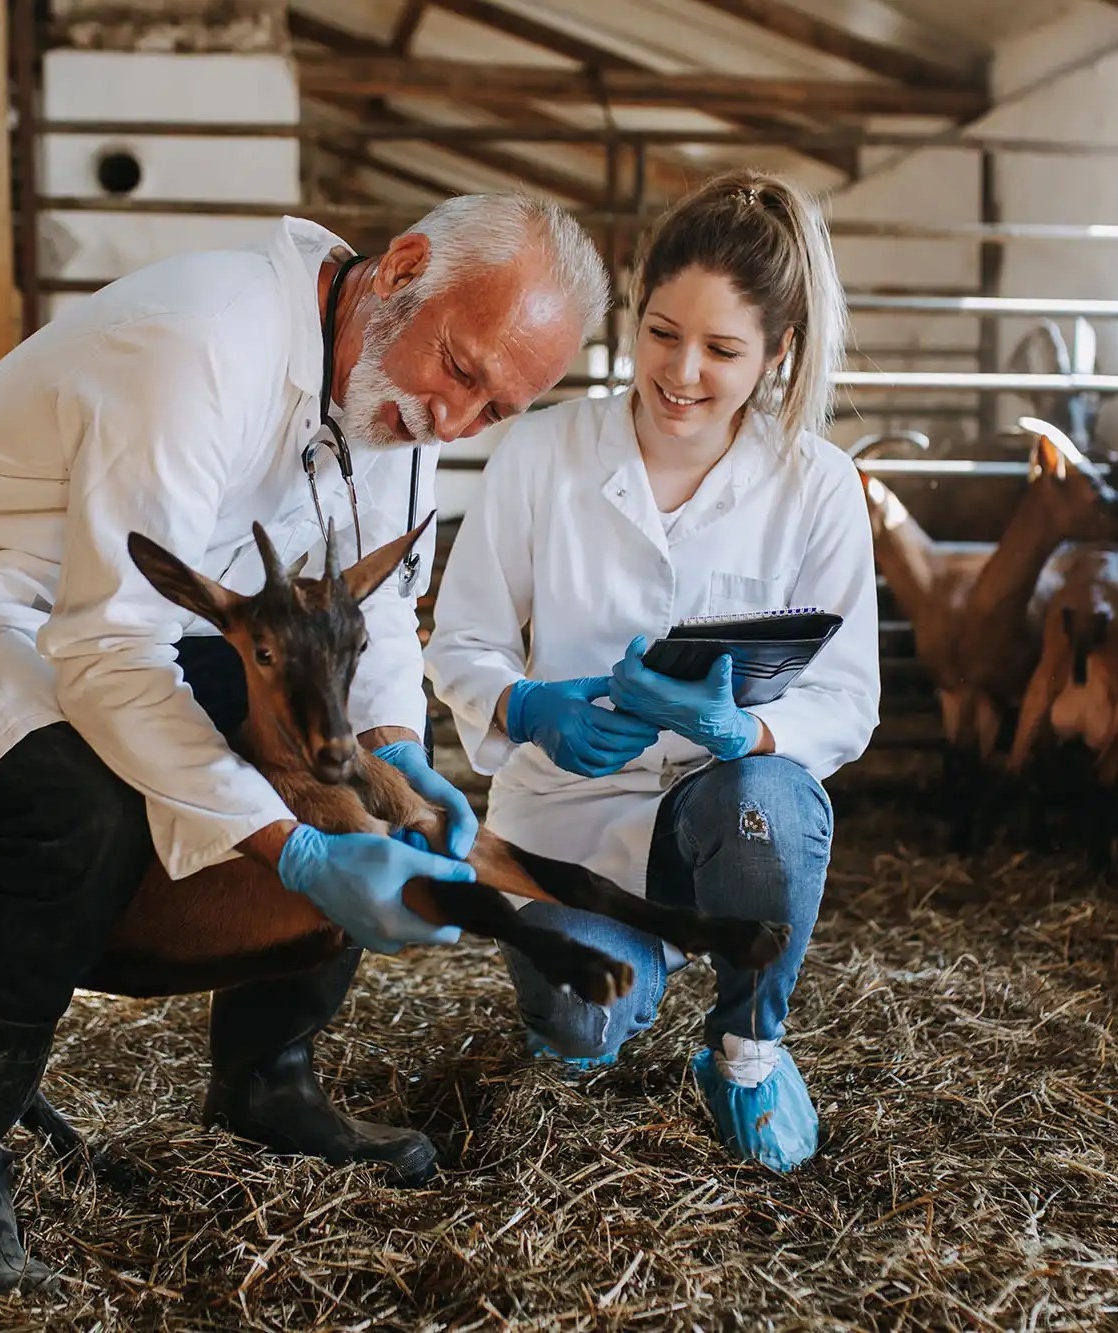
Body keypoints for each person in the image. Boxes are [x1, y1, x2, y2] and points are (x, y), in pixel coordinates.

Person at [0, 196, 608, 1300]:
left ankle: (267, 1083)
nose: (455, 419)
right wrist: (292, 853)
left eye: (495, 408)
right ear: (401, 267)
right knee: (73, 810)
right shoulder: (199, 341)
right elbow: (110, 646)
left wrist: (396, 760)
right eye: (460, 371)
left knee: (326, 755)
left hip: (91, 610)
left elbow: (361, 621)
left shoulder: (395, 405)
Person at [424, 170, 880, 1174]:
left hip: (719, 825)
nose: (678, 372)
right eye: (661, 333)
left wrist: (744, 732)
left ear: (778, 352)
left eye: (721, 350)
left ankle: (746, 1053)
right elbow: (461, 640)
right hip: (563, 827)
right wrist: (526, 703)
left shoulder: (816, 484)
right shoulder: (543, 454)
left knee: (765, 794)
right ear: (634, 315)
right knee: (584, 1029)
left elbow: (844, 697)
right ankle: (614, 975)